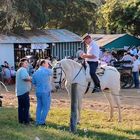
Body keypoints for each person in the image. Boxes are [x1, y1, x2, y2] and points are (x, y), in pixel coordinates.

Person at [32, 59, 53, 126]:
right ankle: (41, 122)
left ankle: (37, 121)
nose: (48, 65)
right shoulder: (47, 70)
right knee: (46, 107)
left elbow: (33, 82)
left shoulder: (35, 72)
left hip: (38, 91)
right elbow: (55, 71)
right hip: (46, 91)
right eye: (47, 63)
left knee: (39, 106)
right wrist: (52, 65)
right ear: (43, 64)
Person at [15, 59, 32, 124]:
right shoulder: (23, 69)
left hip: (20, 92)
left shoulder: (20, 70)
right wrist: (31, 78)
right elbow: (24, 78)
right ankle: (26, 121)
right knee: (26, 107)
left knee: (21, 107)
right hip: (23, 92)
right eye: (26, 63)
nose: (27, 64)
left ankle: (21, 121)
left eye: (27, 63)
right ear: (22, 63)